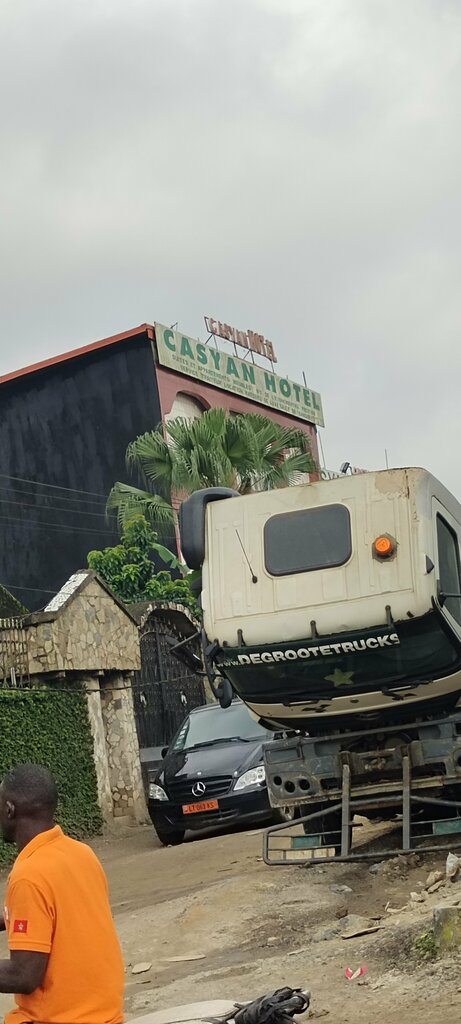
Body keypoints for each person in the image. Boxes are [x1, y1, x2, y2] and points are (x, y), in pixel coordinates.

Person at [0, 763, 124, 1024]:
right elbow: (55, 912)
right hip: (105, 1016)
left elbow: (23, 976)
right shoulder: (81, 854)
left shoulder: (28, 875)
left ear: (9, 809)